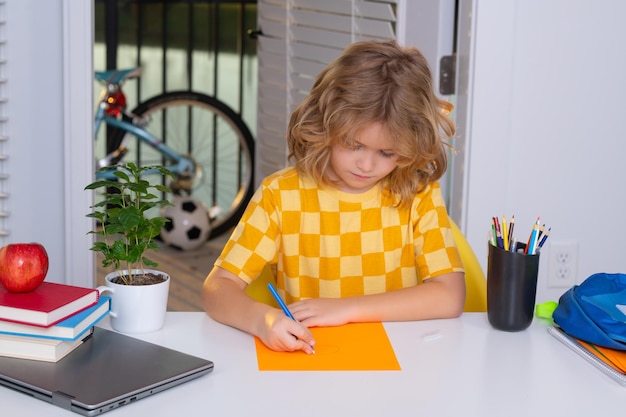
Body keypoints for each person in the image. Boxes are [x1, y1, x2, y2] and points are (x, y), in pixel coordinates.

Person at [202, 40, 466, 354]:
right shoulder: (280, 196)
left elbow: (450, 296)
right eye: (354, 145)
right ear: (324, 124)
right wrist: (262, 320)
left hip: (397, 364)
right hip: (310, 361)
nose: (367, 165)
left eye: (387, 152)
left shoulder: (418, 195)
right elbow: (216, 289)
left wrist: (345, 309)